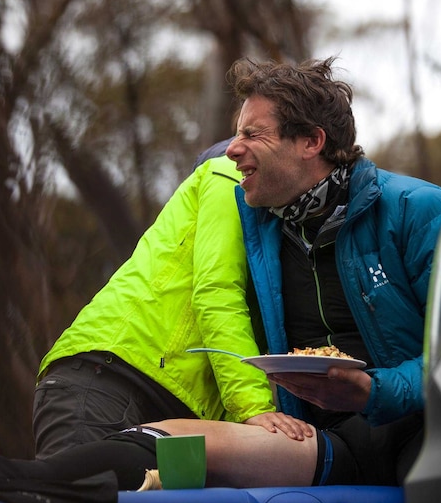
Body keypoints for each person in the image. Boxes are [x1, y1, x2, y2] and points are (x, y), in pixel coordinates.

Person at [0, 56, 441, 492]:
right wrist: (256, 408)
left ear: (311, 141)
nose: (233, 149)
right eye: (233, 135)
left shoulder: (412, 210)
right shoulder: (256, 211)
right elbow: (220, 296)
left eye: (252, 133)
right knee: (82, 497)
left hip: (397, 430)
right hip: (114, 371)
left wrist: (365, 394)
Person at [32, 139, 311, 459]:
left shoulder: (272, 238)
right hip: (113, 378)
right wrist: (253, 408)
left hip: (171, 400)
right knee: (76, 500)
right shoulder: (227, 177)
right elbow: (216, 293)